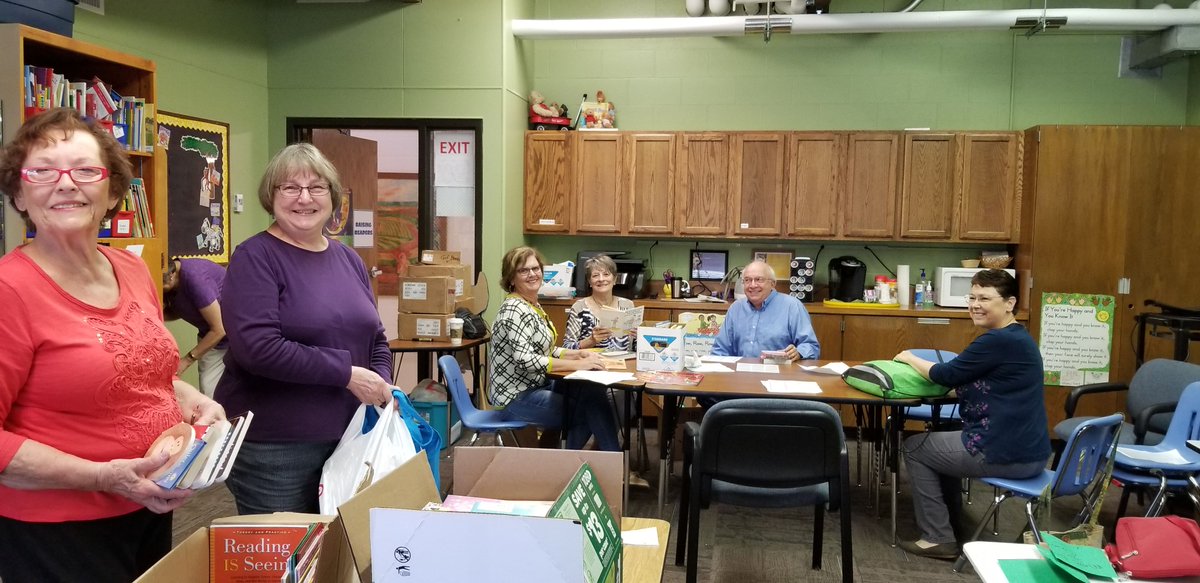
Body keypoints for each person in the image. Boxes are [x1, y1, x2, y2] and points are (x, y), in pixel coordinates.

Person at [0, 107, 225, 582]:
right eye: (42, 171)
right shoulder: (10, 291)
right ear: (19, 194)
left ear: (114, 191)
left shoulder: (130, 268)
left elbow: (144, 373)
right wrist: (102, 476)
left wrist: (193, 400)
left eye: (85, 170)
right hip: (59, 531)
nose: (65, 184)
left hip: (149, 506)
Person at [215, 143, 394, 515]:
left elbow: (375, 336)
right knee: (287, 566)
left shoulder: (348, 258)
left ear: (332, 197)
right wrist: (345, 374)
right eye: (289, 188)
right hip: (275, 449)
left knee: (341, 557)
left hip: (350, 437)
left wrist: (379, 383)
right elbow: (258, 348)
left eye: (316, 188)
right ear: (271, 196)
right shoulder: (255, 258)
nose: (304, 198)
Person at [893, 269, 1050, 560]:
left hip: (1002, 452)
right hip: (1032, 452)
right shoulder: (1019, 338)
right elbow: (991, 386)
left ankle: (937, 537)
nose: (975, 304)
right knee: (937, 444)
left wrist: (909, 357)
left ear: (1009, 303)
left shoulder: (997, 340)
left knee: (914, 448)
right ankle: (951, 521)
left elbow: (945, 374)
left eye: (985, 298)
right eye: (972, 297)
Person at [490, 246, 620, 450]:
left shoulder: (532, 304)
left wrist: (578, 354)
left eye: (535, 268)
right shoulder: (514, 309)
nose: (532, 274)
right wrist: (578, 364)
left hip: (537, 385)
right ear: (511, 278)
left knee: (592, 391)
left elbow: (547, 350)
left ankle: (604, 462)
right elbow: (525, 359)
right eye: (523, 271)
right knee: (586, 410)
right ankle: (572, 466)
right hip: (516, 397)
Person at [711, 260, 820, 362]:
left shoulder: (792, 306)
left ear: (772, 284)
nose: (753, 285)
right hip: (740, 375)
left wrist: (799, 352)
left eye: (759, 280)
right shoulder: (735, 308)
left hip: (780, 374)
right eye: (747, 280)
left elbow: (811, 346)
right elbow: (720, 349)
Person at [163, 257, 228, 397]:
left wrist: (186, 360)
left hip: (235, 336)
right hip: (212, 337)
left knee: (219, 395)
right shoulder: (171, 279)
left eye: (162, 286)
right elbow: (180, 309)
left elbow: (219, 329)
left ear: (172, 275)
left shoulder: (196, 280)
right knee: (209, 392)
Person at [563, 254, 635, 352]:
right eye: (595, 275)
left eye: (606, 274)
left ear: (614, 279)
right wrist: (591, 340)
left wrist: (640, 336)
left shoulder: (628, 305)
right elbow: (566, 349)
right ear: (589, 281)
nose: (601, 279)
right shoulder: (579, 307)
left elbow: (635, 347)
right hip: (589, 364)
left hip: (624, 363)